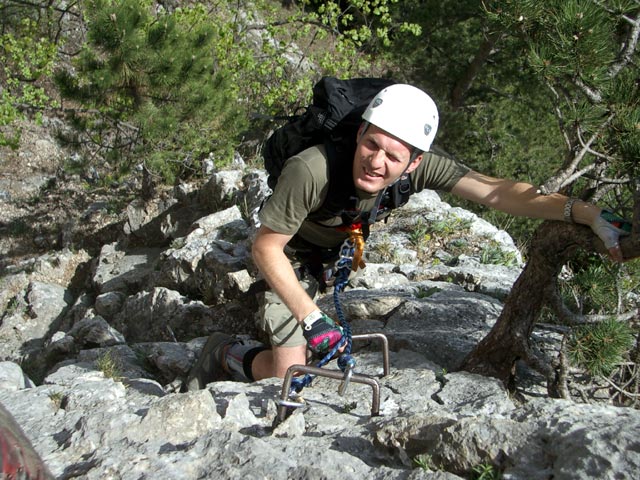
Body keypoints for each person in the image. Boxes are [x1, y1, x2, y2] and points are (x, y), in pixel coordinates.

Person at [185, 83, 629, 388]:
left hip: (334, 247)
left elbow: (495, 192)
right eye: (370, 145)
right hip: (291, 253)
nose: (377, 162)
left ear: (414, 163)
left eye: (393, 156)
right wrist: (312, 317)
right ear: (359, 134)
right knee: (289, 372)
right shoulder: (312, 169)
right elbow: (265, 246)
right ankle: (225, 352)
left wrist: (586, 213)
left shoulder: (418, 165)